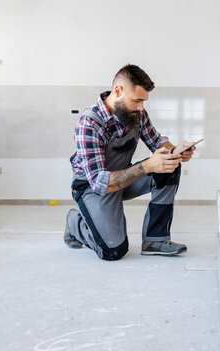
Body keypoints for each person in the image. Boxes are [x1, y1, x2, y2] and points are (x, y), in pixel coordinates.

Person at [64, 64, 196, 261]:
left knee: (169, 166)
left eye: (143, 101)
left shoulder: (136, 113)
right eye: (137, 101)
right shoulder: (89, 124)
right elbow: (100, 183)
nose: (141, 108)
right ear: (118, 91)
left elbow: (156, 141)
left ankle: (155, 240)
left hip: (123, 178)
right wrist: (148, 166)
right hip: (92, 188)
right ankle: (75, 222)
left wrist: (174, 151)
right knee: (113, 251)